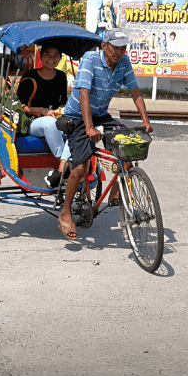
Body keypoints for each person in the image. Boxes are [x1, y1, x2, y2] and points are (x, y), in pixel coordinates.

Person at [56, 28, 153, 240]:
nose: (119, 52)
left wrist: (145, 121)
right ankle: (65, 212)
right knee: (80, 167)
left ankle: (117, 190)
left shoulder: (124, 63)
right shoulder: (90, 59)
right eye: (115, 47)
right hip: (77, 117)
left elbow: (135, 91)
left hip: (100, 114)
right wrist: (89, 128)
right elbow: (84, 93)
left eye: (123, 48)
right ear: (104, 46)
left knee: (129, 146)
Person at [16, 44, 70, 188]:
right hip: (32, 122)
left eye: (55, 55)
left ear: (60, 59)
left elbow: (63, 102)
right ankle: (64, 165)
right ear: (40, 56)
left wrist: (60, 111)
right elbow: (21, 107)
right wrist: (42, 110)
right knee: (49, 123)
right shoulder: (30, 76)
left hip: (55, 119)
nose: (51, 58)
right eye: (47, 54)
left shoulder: (61, 77)